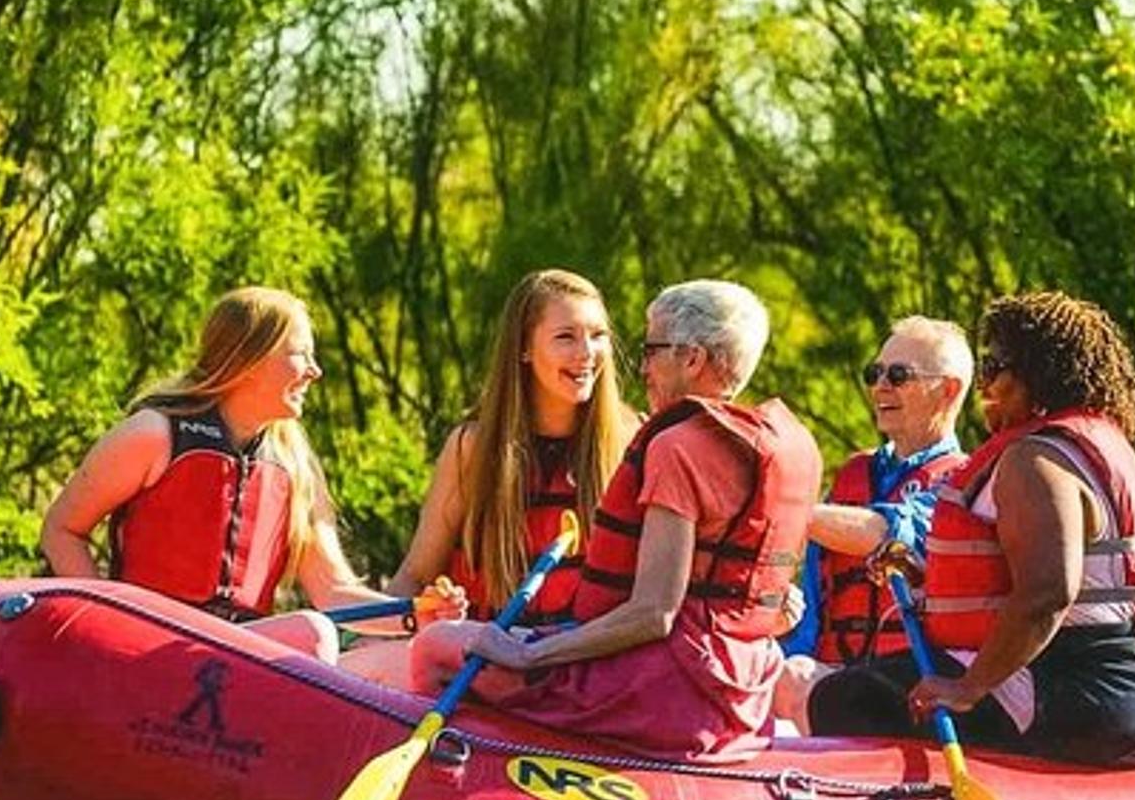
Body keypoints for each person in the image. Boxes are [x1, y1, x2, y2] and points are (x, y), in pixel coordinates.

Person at [409, 280, 823, 761]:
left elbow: (654, 612)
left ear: (692, 359)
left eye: (652, 350)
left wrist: (531, 653)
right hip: (742, 696)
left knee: (435, 647)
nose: (642, 366)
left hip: (672, 693)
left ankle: (456, 783)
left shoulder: (675, 447)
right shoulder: (789, 448)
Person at [807, 291, 1135, 768]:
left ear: (1037, 372)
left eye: (996, 366)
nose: (986, 385)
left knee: (845, 697)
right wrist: (922, 574)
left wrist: (968, 688)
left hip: (1088, 702)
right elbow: (1032, 580)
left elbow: (1047, 593)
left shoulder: (1034, 460)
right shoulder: (1099, 444)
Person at [40, 286, 461, 661]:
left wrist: (417, 615)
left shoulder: (293, 463)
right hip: (150, 643)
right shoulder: (154, 434)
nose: (315, 371)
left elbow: (334, 594)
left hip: (236, 655)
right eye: (301, 354)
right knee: (311, 633)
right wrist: (106, 626)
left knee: (366, 649)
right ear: (249, 361)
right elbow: (61, 529)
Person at [339, 270, 637, 684]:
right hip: (483, 660)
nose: (587, 353)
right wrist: (366, 639)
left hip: (582, 665)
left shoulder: (632, 441)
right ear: (525, 350)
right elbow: (416, 575)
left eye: (598, 335)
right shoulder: (473, 448)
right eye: (566, 337)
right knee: (358, 666)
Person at [774, 317, 972, 733]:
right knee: (780, 670)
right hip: (826, 672)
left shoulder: (962, 482)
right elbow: (814, 588)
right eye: (875, 373)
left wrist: (774, 507)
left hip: (907, 682)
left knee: (793, 678)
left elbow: (884, 534)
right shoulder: (854, 473)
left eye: (899, 375)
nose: (880, 386)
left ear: (949, 390)